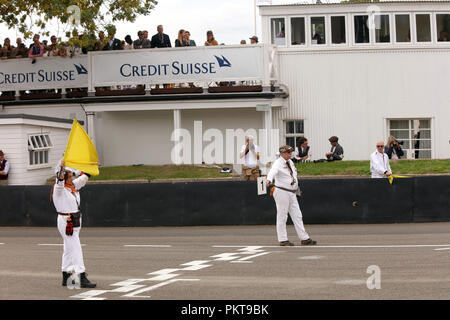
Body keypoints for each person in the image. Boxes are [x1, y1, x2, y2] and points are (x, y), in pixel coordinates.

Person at [52, 160, 96, 288]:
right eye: (69, 177)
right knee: (76, 247)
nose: (72, 178)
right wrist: (61, 169)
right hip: (66, 222)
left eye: (72, 176)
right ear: (64, 179)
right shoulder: (59, 188)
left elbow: (83, 178)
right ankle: (81, 275)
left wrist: (91, 166)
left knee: (68, 248)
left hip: (75, 220)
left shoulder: (73, 186)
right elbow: (59, 180)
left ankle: (66, 276)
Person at [266, 145, 317, 246]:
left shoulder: (290, 162)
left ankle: (304, 238)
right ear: (282, 153)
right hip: (281, 191)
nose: (290, 154)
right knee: (282, 216)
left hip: (291, 191)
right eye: (288, 152)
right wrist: (269, 179)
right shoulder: (278, 162)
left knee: (297, 215)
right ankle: (283, 239)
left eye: (290, 152)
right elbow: (272, 171)